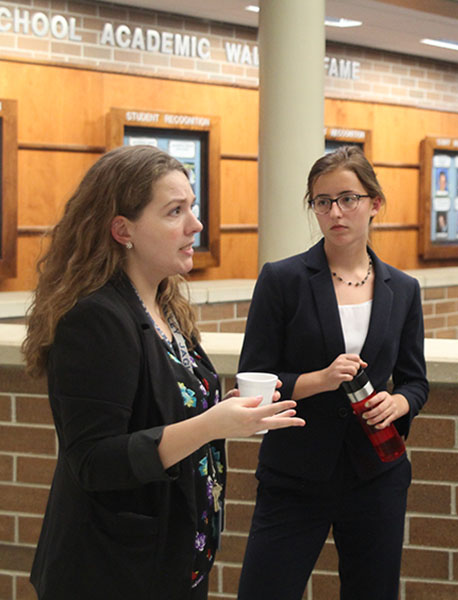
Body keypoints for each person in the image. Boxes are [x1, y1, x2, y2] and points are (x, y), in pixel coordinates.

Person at [22, 145, 303, 600]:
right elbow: (94, 461)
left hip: (171, 561)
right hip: (112, 572)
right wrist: (210, 425)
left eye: (192, 207)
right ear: (123, 230)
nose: (195, 225)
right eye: (175, 212)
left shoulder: (165, 305)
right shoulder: (96, 319)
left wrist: (227, 413)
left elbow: (170, 412)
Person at [237, 146, 429, 599]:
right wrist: (318, 379)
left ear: (374, 203)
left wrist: (399, 402)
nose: (335, 212)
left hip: (375, 474)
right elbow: (254, 378)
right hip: (294, 472)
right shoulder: (282, 280)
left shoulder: (402, 289)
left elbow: (415, 380)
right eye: (322, 201)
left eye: (348, 198)